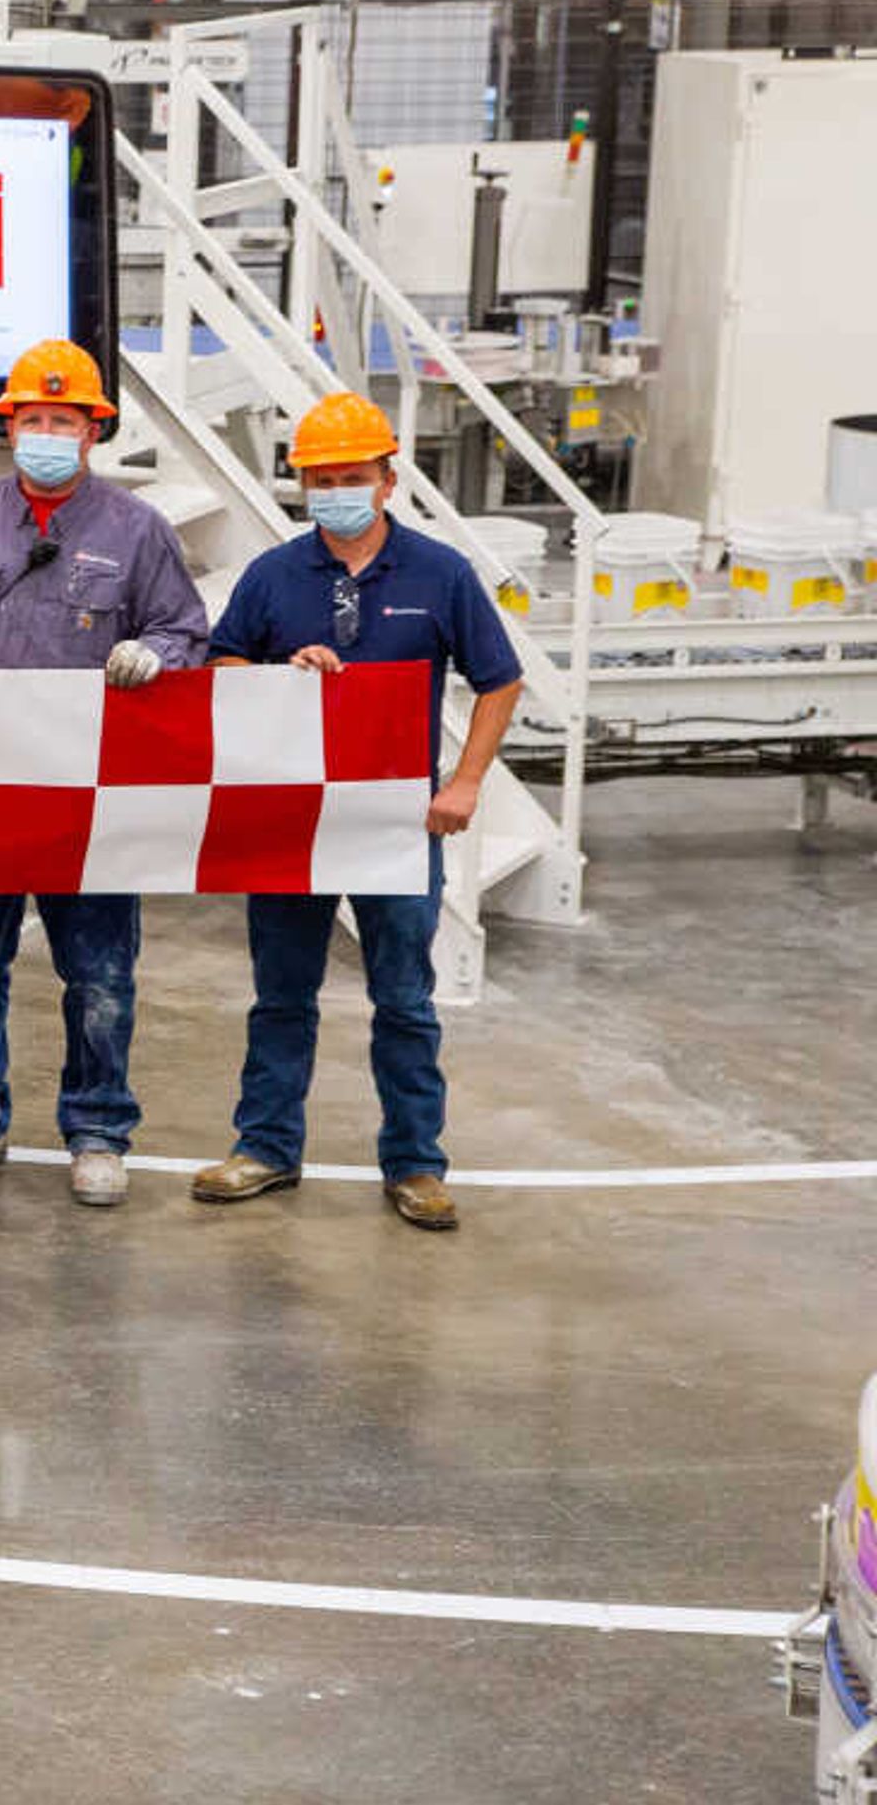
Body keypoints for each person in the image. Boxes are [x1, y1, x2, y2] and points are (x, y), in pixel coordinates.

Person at [194, 391, 520, 1233]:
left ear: (387, 479)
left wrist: (465, 783)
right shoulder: (273, 575)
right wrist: (275, 673)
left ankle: (415, 1162)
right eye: (321, 478)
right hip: (294, 821)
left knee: (404, 999)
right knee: (281, 995)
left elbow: (499, 677)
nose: (335, 490)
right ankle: (265, 1146)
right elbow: (222, 664)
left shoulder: (440, 573)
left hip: (397, 824)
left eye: (351, 476)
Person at [0, 341, 213, 1208]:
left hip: (93, 788)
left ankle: (98, 1129)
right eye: (32, 419)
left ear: (94, 429)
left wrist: (152, 651)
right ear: (10, 427)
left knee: (101, 970)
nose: (47, 432)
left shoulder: (138, 530)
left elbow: (185, 632)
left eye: (64, 419)